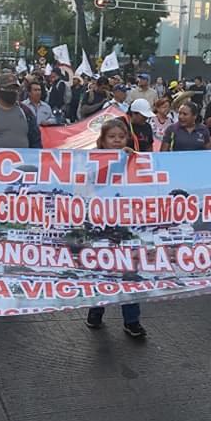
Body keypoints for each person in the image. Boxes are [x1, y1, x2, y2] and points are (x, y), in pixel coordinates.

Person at [84, 117, 147, 338]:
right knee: (103, 269)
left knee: (129, 270)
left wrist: (132, 160)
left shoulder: (132, 160)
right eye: (112, 137)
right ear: (102, 140)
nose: (117, 141)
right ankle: (96, 311)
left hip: (126, 224)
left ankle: (132, 320)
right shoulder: (92, 161)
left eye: (121, 137)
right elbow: (86, 188)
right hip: (102, 224)